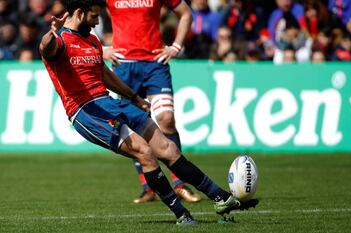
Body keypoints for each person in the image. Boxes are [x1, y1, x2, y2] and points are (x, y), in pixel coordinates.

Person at [39, 0, 258, 225]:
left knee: (168, 149)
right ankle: (182, 215)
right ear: (79, 13)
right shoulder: (61, 42)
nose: (98, 21)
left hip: (111, 103)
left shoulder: (92, 40)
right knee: (145, 152)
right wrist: (52, 33)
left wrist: (134, 98)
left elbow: (105, 75)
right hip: (88, 112)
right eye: (94, 16)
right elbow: (46, 49)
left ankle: (221, 197)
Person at [104, 0, 202, 204]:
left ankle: (180, 184)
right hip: (124, 66)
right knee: (134, 127)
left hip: (155, 65)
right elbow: (80, 13)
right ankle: (149, 188)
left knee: (166, 119)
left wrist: (176, 46)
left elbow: (186, 13)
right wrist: (102, 49)